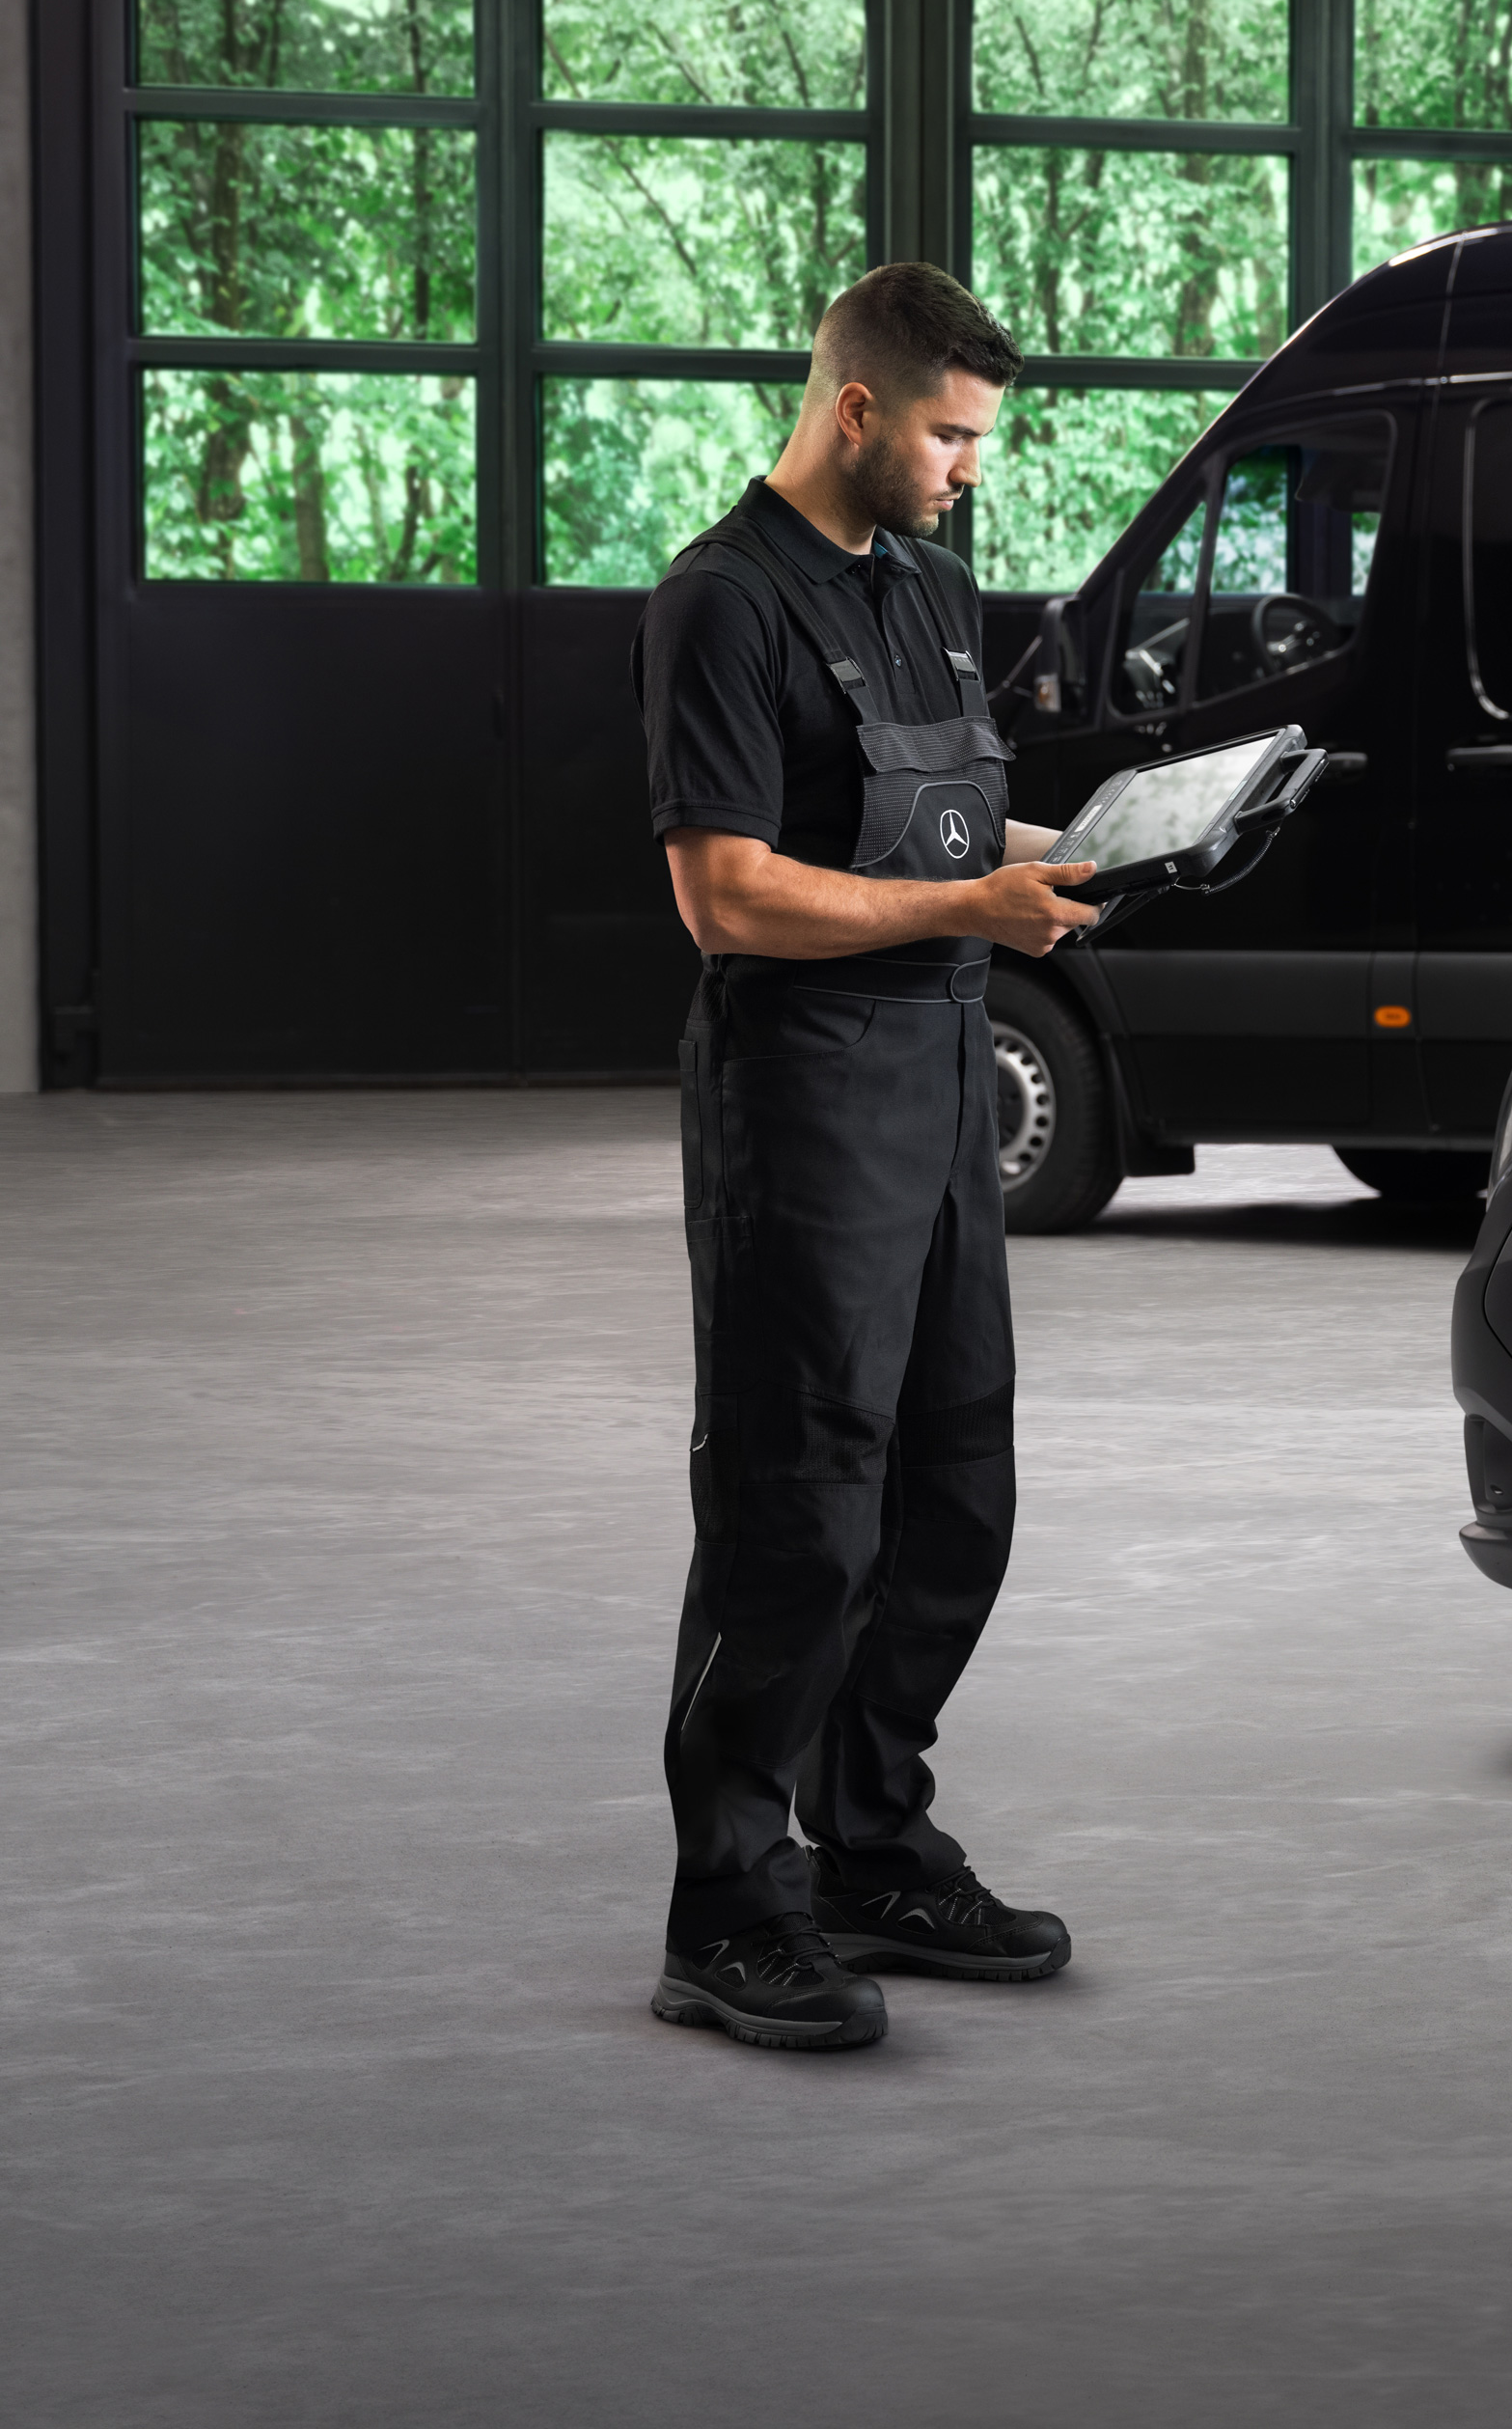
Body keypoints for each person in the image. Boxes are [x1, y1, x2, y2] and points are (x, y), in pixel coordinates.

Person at [631, 262, 1100, 2051]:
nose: (969, 466)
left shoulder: (930, 582)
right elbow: (726, 893)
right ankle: (729, 1909)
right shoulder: (720, 605)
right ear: (855, 411)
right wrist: (970, 902)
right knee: (798, 1503)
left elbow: (971, 825)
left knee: (954, 1485)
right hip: (805, 1089)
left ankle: (871, 1848)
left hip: (937, 1078)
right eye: (950, 434)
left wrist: (1115, 852)